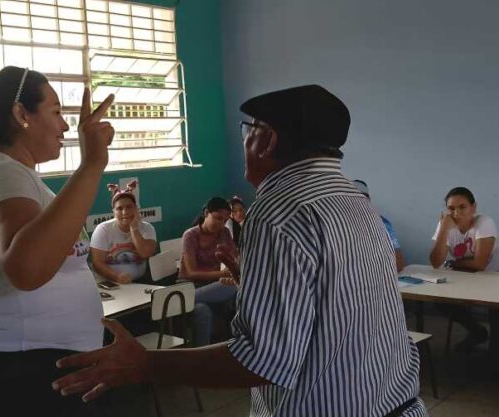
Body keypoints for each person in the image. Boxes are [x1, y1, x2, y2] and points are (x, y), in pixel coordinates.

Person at [53, 85, 426, 416]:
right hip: (395, 402)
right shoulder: (354, 199)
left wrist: (144, 364)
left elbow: (261, 361)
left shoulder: (278, 208)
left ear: (269, 141)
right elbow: (333, 300)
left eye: (249, 131)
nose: (244, 141)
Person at [0, 66, 115, 417]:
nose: (66, 126)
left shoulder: (16, 174)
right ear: (21, 114)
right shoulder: (3, 172)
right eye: (55, 112)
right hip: (13, 373)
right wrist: (93, 163)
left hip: (27, 366)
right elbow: (27, 268)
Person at [429, 186, 498, 352]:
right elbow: (436, 261)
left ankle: (494, 356)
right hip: (466, 278)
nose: (456, 213)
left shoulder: (484, 222)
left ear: (473, 208)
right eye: (451, 208)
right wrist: (444, 229)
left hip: (493, 278)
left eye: (462, 207)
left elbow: (480, 264)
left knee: (496, 311)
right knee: (441, 302)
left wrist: (454, 263)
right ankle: (477, 331)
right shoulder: (446, 224)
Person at [180, 197, 237, 345]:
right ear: (206, 213)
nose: (221, 223)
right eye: (217, 218)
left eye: (224, 220)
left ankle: (234, 346)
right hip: (190, 285)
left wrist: (235, 266)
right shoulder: (191, 235)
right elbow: (191, 272)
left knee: (239, 289)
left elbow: (232, 257)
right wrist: (222, 274)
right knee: (202, 310)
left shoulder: (224, 233)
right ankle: (202, 353)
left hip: (212, 286)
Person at [90, 181, 157, 284]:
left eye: (129, 207)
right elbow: (97, 263)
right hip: (111, 283)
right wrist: (116, 277)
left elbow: (145, 253)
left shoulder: (147, 228)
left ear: (136, 208)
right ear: (113, 211)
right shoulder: (103, 229)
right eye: (119, 208)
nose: (124, 212)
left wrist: (134, 228)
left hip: (141, 283)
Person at [352, 180, 405, 271]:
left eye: (363, 197)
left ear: (369, 199)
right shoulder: (334, 225)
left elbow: (398, 264)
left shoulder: (383, 223)